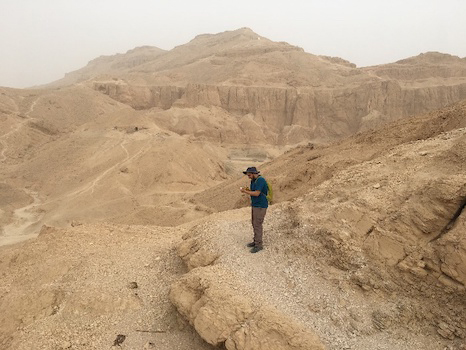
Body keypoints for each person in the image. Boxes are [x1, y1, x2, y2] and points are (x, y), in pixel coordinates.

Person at [240, 167, 268, 253]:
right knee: (254, 223)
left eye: (249, 175)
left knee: (257, 224)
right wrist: (248, 190)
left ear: (253, 173)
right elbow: (253, 191)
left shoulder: (260, 180)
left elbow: (257, 193)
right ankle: (256, 241)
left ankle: (259, 245)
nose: (248, 176)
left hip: (261, 205)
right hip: (255, 205)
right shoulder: (253, 180)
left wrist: (245, 191)